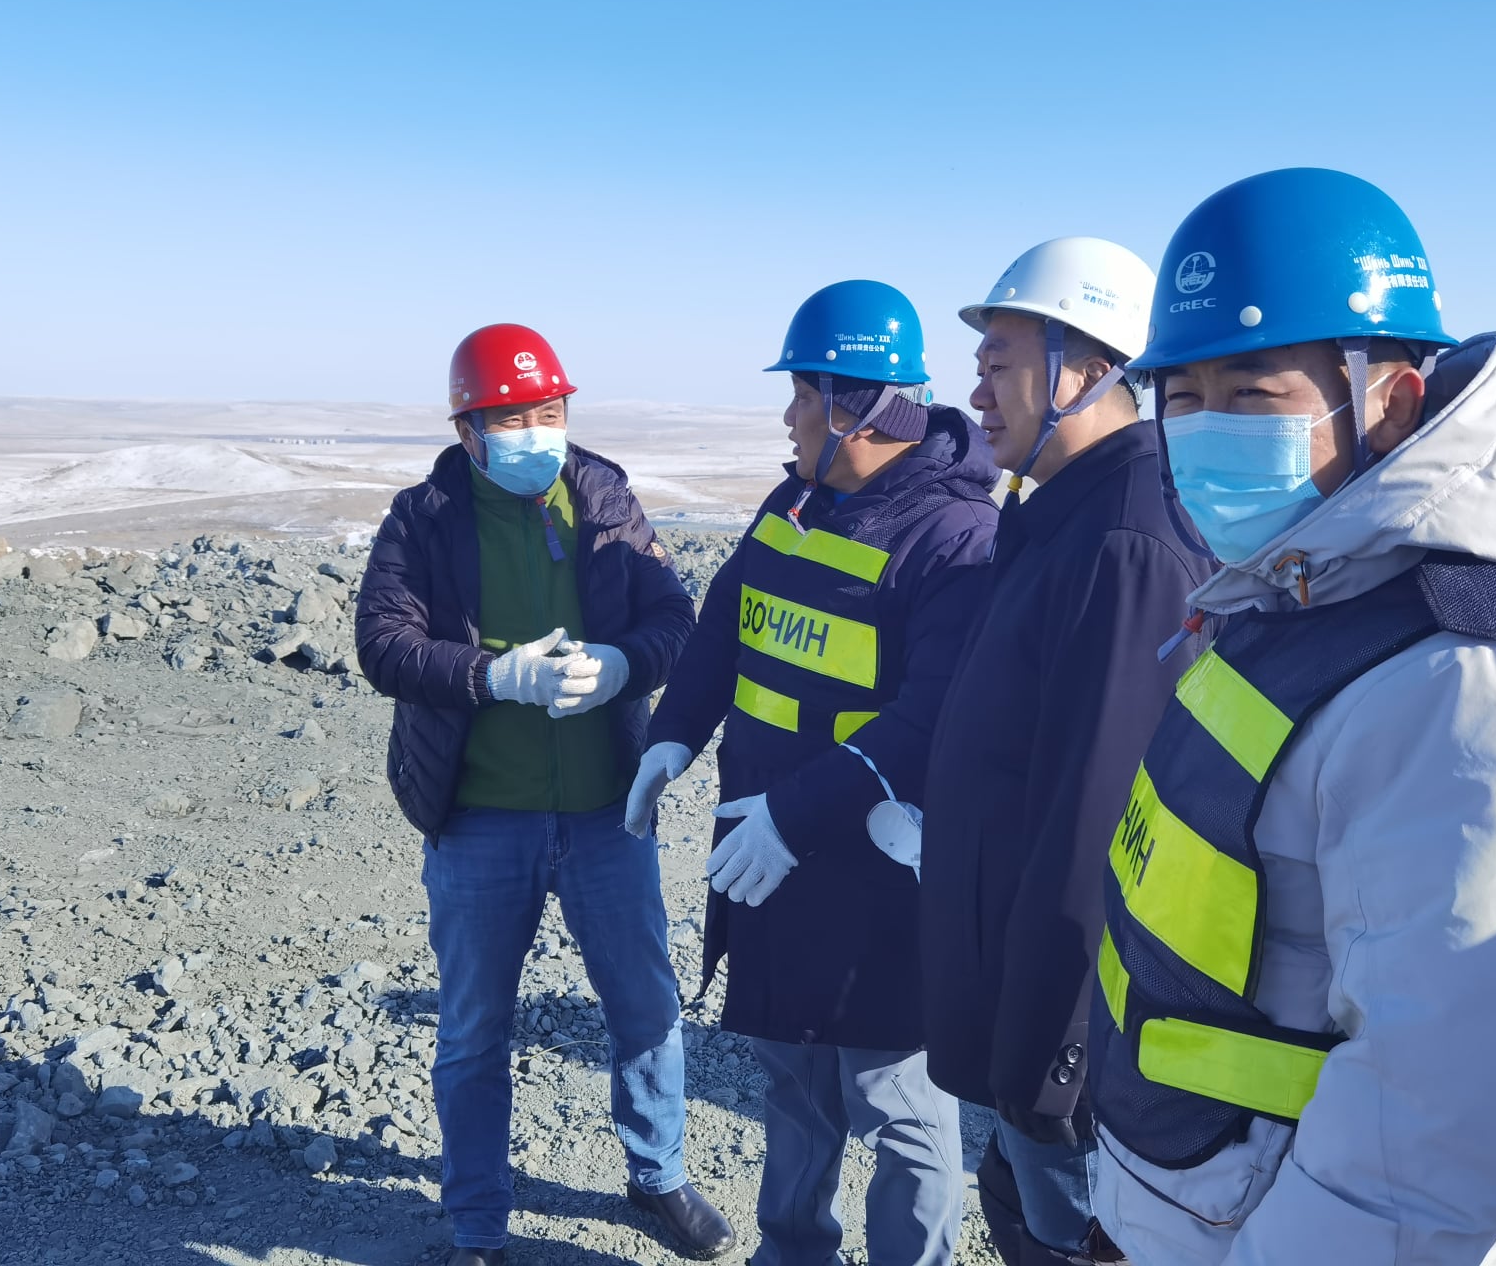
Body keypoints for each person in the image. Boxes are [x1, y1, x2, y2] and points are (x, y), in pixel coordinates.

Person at [1084, 168, 1496, 1264]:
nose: (1202, 431)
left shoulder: (1471, 682)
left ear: (1387, 402)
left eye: (1251, 394)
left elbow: (1421, 1155)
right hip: (1185, 1204)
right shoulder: (1296, 588)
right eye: (1181, 396)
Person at [627, 281, 1000, 1266]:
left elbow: (931, 715)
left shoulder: (954, 538)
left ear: (855, 408)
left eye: (800, 396)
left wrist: (797, 815)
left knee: (897, 1104)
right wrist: (674, 734)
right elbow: (724, 624)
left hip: (874, 878)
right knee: (791, 1081)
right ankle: (791, 1253)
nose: (786, 417)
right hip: (769, 863)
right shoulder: (793, 499)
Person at [354, 323, 735, 1266]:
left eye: (550, 412)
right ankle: (480, 1223)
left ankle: (658, 1174)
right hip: (481, 820)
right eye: (513, 417)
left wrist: (622, 666)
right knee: (475, 1029)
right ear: (468, 430)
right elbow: (384, 644)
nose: (537, 433)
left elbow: (673, 618)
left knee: (645, 1006)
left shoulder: (603, 497)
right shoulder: (425, 517)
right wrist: (493, 676)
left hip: (608, 813)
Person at [919, 237, 1210, 1266]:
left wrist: (1053, 1058)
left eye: (999, 365)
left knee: (1067, 1237)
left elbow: (1100, 825)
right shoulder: (1063, 518)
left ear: (1084, 372)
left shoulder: (1122, 545)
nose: (975, 394)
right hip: (1023, 1011)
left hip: (1063, 1046)